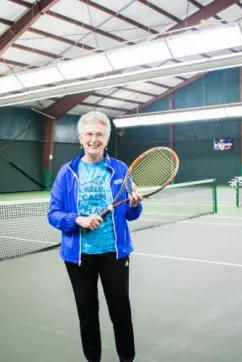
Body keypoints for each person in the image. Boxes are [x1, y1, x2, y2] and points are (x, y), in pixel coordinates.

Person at [47, 111, 143, 362]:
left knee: (121, 312)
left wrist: (134, 204)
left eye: (99, 134)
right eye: (89, 134)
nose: (93, 139)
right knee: (87, 314)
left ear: (107, 139)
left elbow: (131, 215)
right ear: (80, 138)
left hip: (115, 252)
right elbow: (53, 213)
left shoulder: (121, 169)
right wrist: (76, 219)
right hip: (79, 257)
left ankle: (127, 359)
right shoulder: (67, 173)